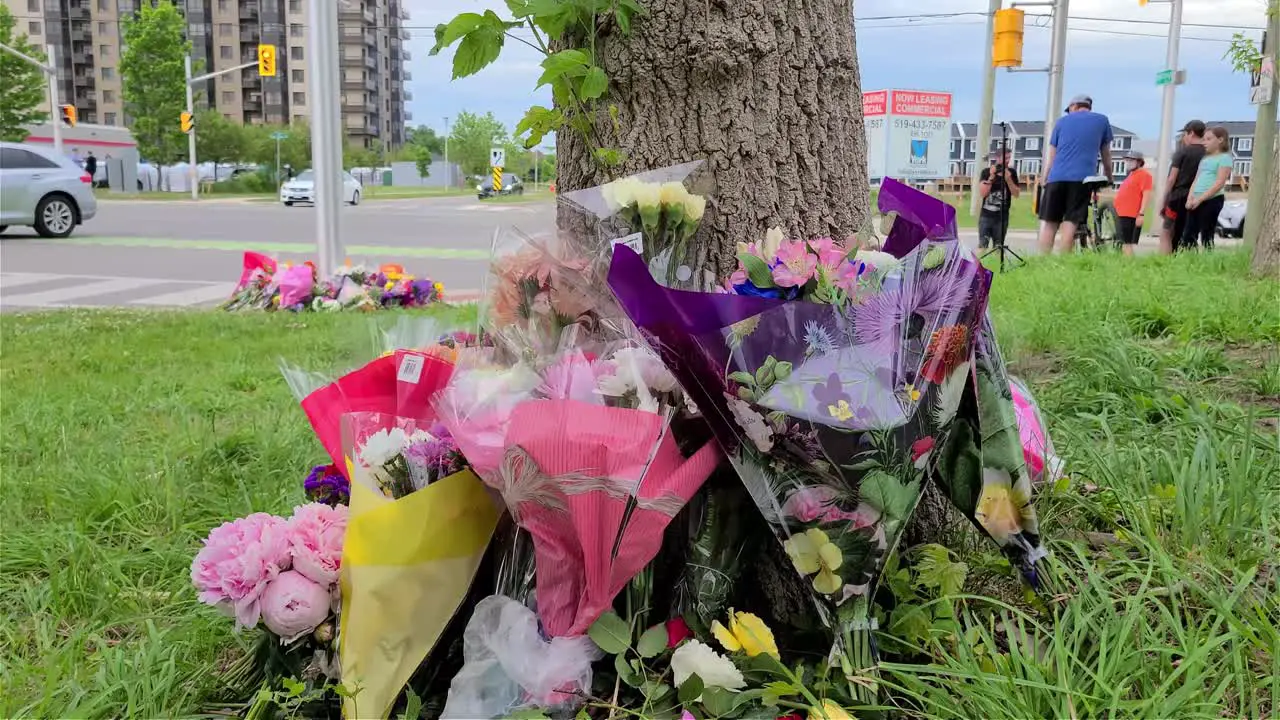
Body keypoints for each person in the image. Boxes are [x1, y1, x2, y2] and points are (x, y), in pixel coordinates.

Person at [1036, 94, 1115, 255]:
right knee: (1071, 221)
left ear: (1073, 107)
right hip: (1082, 179)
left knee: (1050, 222)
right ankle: (1064, 260)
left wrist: (1044, 178)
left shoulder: (1061, 122)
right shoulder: (1102, 121)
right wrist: (1109, 176)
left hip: (1056, 178)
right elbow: (1106, 154)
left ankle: (1042, 260)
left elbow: (1051, 155)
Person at [1181, 126, 1233, 251]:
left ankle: (1208, 258)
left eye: (1208, 139)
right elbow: (1196, 180)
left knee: (1206, 233)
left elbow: (1219, 183)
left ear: (1220, 140)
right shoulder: (1205, 159)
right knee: (1188, 233)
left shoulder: (1224, 158)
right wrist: (1190, 198)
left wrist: (1201, 199)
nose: (1205, 142)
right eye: (1204, 139)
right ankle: (1189, 258)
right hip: (1195, 199)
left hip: (1212, 199)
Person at [1160, 120, 1207, 253]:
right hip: (1198, 197)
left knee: (1168, 231)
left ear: (1191, 133)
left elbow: (1172, 178)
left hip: (1178, 197)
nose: (1184, 137)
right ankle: (1189, 257)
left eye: (1185, 134)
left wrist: (1165, 198)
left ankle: (1168, 258)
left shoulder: (1182, 152)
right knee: (1191, 232)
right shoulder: (1208, 153)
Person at [1111, 151, 1153, 256]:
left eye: (1131, 160)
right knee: (1123, 242)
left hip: (1130, 214)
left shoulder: (1144, 175)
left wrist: (1141, 214)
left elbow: (1146, 195)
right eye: (1127, 160)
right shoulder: (1131, 175)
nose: (1128, 162)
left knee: (1127, 243)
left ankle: (1129, 265)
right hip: (1122, 213)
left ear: (1139, 162)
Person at [978, 148, 1021, 250]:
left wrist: (1008, 179)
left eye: (1009, 158)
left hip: (1002, 217)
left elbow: (1016, 194)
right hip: (986, 216)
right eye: (1005, 158)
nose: (1008, 160)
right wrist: (991, 176)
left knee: (998, 248)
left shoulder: (1012, 172)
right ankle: (979, 265)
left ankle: (996, 265)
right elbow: (983, 193)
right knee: (982, 246)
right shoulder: (986, 172)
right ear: (997, 158)